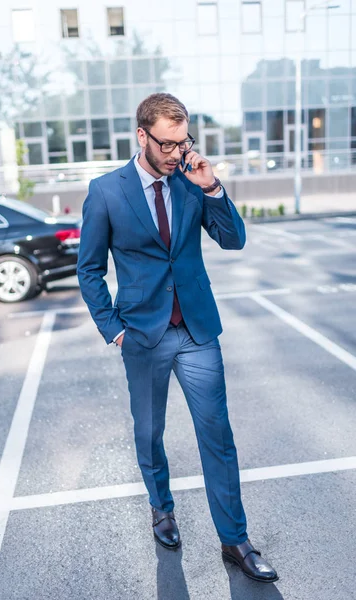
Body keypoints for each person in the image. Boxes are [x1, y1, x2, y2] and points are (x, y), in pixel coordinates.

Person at [78, 93, 278, 584]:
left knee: (218, 437)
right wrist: (114, 331)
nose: (175, 152)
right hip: (142, 337)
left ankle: (235, 542)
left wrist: (211, 188)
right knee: (150, 434)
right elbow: (88, 270)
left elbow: (233, 240)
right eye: (166, 144)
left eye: (183, 141)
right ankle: (161, 508)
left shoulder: (191, 182)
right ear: (142, 136)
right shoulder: (106, 191)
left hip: (196, 331)